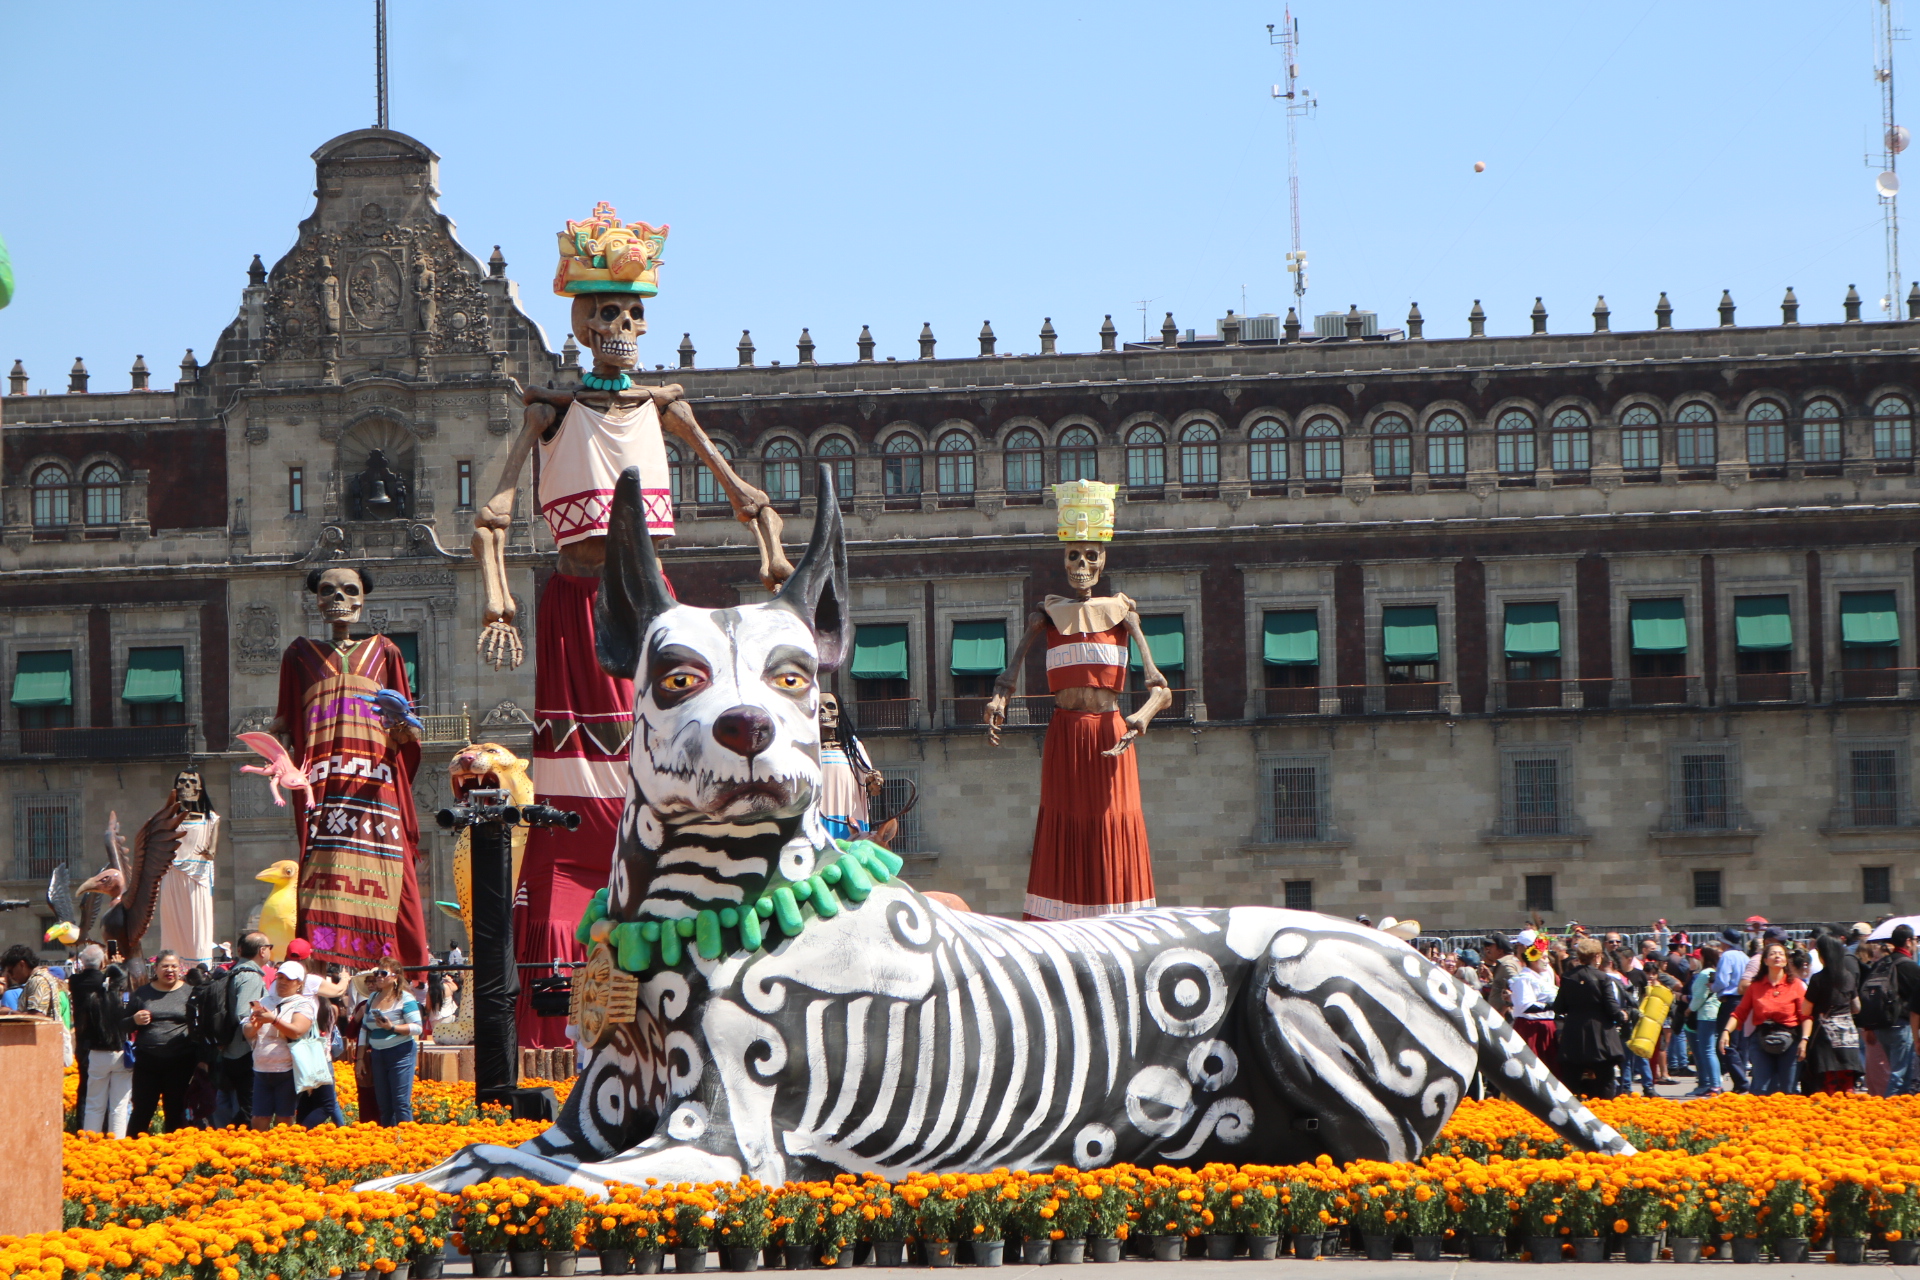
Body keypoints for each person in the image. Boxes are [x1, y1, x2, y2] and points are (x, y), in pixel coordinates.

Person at [270, 565, 428, 968]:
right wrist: (280, 764)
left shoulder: (386, 651)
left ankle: (397, 967)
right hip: (321, 779)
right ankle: (322, 966)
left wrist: (402, 722)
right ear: (316, 600)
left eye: (348, 591)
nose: (338, 599)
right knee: (319, 864)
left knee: (391, 862)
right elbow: (283, 727)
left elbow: (408, 733)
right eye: (328, 591)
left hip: (376, 778)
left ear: (362, 599)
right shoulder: (298, 655)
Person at [1721, 939, 1805, 1096]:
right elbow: (1740, 1012)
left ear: (1786, 960)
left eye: (1781, 954)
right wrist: (1726, 1031)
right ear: (1765, 960)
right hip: (1762, 1039)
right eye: (1772, 954)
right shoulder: (1755, 986)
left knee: (1788, 1089)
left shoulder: (1796, 984)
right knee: (1761, 1089)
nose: (1777, 956)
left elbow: (1805, 1016)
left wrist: (1805, 1040)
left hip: (1791, 1040)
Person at [125, 951, 196, 1133]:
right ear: (155, 968)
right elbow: (121, 1024)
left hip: (180, 1062)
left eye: (174, 966)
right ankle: (132, 1147)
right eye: (165, 966)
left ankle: (174, 1149)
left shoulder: (190, 992)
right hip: (147, 1062)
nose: (169, 970)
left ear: (180, 969)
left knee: (175, 1112)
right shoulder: (142, 993)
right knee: (142, 1110)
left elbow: (200, 1026)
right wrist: (134, 1020)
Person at [244, 959, 316, 1128]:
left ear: (299, 983)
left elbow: (297, 1031)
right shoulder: (264, 1001)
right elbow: (247, 1032)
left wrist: (274, 1020)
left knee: (284, 1119)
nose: (282, 982)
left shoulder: (303, 1004)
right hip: (261, 1069)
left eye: (289, 979)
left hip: (287, 1070)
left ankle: (282, 1146)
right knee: (259, 1119)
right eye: (280, 977)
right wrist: (254, 1025)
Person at [71, 945, 132, 1136]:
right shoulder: (121, 1000)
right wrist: (117, 967)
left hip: (92, 1047)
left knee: (92, 1101)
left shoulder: (77, 983)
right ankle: (116, 1140)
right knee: (119, 1105)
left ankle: (88, 1137)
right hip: (118, 1050)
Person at [1556, 939, 1628, 1099]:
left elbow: (1559, 1007)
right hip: (1600, 1035)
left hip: (1574, 1033)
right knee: (1605, 1079)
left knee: (1571, 1080)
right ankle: (1604, 1108)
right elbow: (1612, 1007)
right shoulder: (1602, 977)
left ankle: (1570, 1111)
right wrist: (1622, 1015)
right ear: (1597, 956)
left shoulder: (1568, 977)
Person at [358, 956, 422, 1125]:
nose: (379, 976)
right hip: (378, 1054)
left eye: (383, 973)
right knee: (384, 1104)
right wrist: (360, 1059)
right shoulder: (373, 998)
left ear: (395, 977)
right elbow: (364, 1029)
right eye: (377, 973)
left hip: (400, 1053)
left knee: (401, 1103)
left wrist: (392, 1027)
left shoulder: (405, 998)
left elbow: (417, 1027)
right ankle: (387, 1137)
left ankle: (406, 1138)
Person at [1801, 930, 1864, 1094]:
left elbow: (1805, 1009)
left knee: (1828, 1085)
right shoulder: (1848, 976)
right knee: (1847, 1085)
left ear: (1823, 955)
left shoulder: (1818, 979)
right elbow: (1857, 1007)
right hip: (1848, 1037)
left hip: (1825, 1039)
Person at [816, 691, 884, 842]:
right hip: (814, 817)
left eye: (829, 706)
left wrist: (873, 782)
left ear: (839, 713)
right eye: (815, 707)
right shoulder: (804, 749)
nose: (821, 711)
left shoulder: (853, 748)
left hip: (848, 817)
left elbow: (867, 779)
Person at [1861, 923, 1920, 1095]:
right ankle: (1891, 1106)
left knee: (1899, 1072)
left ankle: (1898, 1105)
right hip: (1902, 1025)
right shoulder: (1910, 967)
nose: (1916, 944)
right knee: (1900, 1075)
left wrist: (1868, 1026)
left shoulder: (1881, 964)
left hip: (1881, 1025)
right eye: (1915, 940)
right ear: (1908, 941)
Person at [1509, 938, 1558, 1071]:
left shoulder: (1543, 977)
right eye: (1544, 957)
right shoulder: (1524, 979)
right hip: (1532, 1029)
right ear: (1533, 958)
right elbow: (1525, 1006)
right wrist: (1553, 1005)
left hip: (1547, 1027)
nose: (1547, 961)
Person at [1712, 928, 1752, 1093]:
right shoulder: (1745, 956)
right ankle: (1740, 1082)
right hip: (1745, 1000)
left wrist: (1712, 987)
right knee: (1741, 1044)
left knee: (1727, 1043)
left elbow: (1722, 980)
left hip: (1731, 1000)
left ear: (1725, 942)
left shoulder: (1727, 956)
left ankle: (1741, 1082)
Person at [1687, 943, 1724, 1097]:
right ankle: (1716, 1083)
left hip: (1706, 1014)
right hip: (1716, 1012)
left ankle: (1714, 1084)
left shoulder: (1704, 974)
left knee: (1707, 1050)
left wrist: (1690, 1009)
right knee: (1711, 1050)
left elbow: (1699, 996)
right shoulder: (1717, 972)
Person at [2, 943, 55, 1018]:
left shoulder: (37, 980)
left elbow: (37, 1017)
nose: (11, 976)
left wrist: (9, 1012)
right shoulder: (41, 977)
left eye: (11, 971)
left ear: (22, 965)